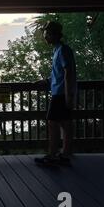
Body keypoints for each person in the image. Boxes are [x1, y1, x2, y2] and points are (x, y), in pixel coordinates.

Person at [35, 21, 77, 166]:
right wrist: (46, 80)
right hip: (60, 91)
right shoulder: (58, 50)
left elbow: (67, 72)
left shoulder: (63, 50)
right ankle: (65, 155)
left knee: (52, 123)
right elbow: (58, 73)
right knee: (65, 124)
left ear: (54, 35)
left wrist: (68, 95)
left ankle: (52, 155)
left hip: (60, 93)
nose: (45, 37)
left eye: (47, 34)